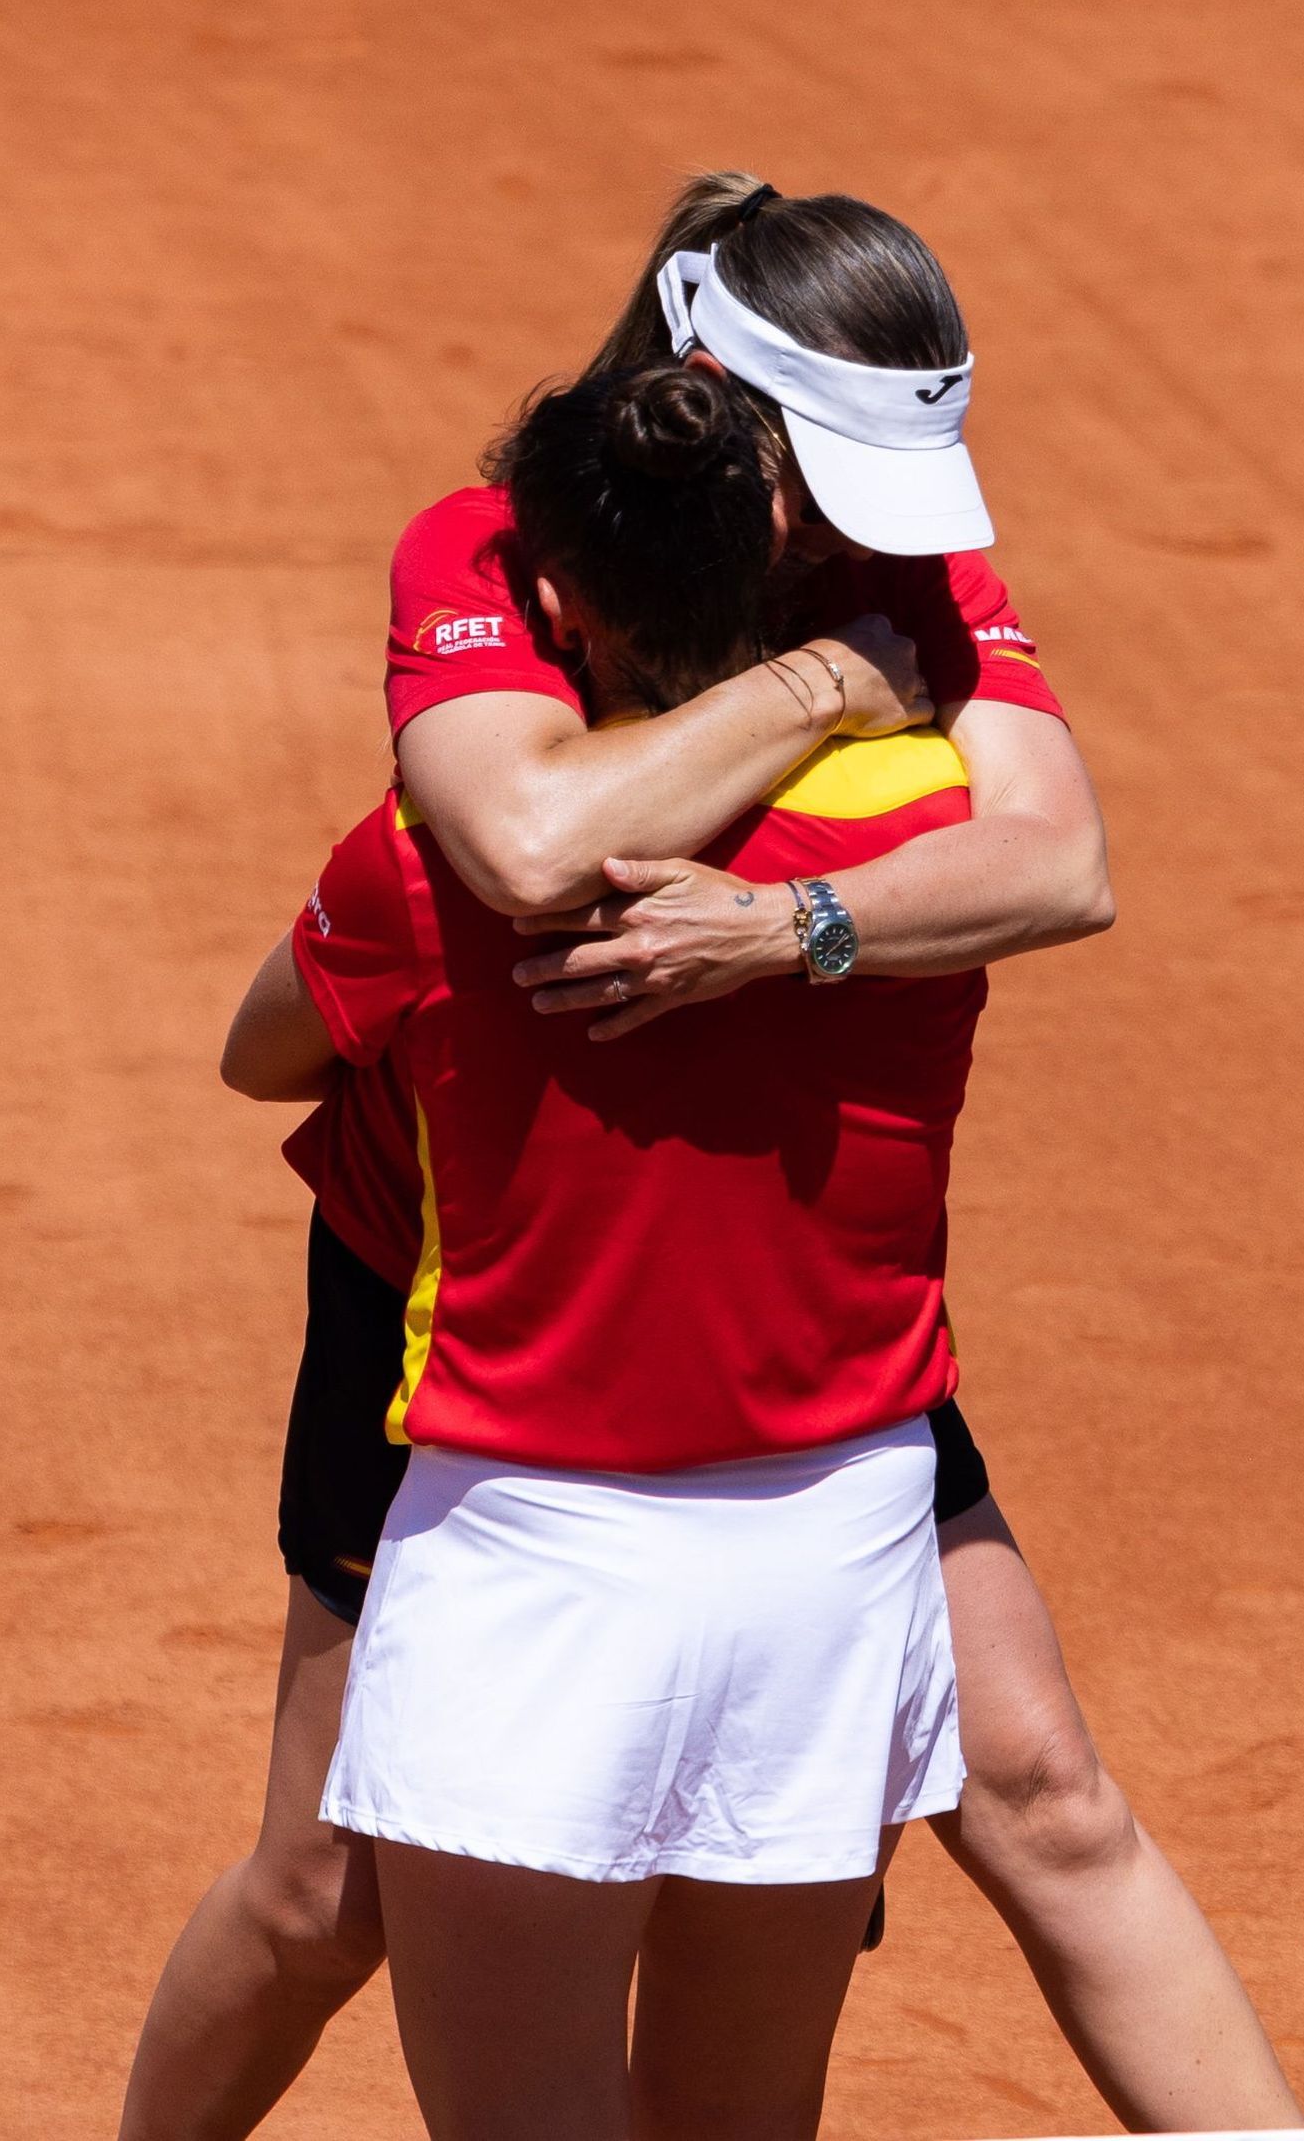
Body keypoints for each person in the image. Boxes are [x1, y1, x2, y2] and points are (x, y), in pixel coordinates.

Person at [119, 171, 1299, 2137]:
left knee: (1037, 1793)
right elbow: (515, 848)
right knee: (328, 1897)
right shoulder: (486, 549)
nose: (874, 538)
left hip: (775, 1337)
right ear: (711, 406)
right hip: (461, 1303)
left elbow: (1059, 859)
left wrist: (786, 930)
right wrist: (825, 684)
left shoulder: (907, 561)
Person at [222, 360, 988, 2139]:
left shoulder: (428, 865)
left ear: (558, 603)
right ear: (785, 557)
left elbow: (264, 1049)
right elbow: (1058, 853)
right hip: (832, 1562)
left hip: (526, 1569)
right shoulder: (927, 825)